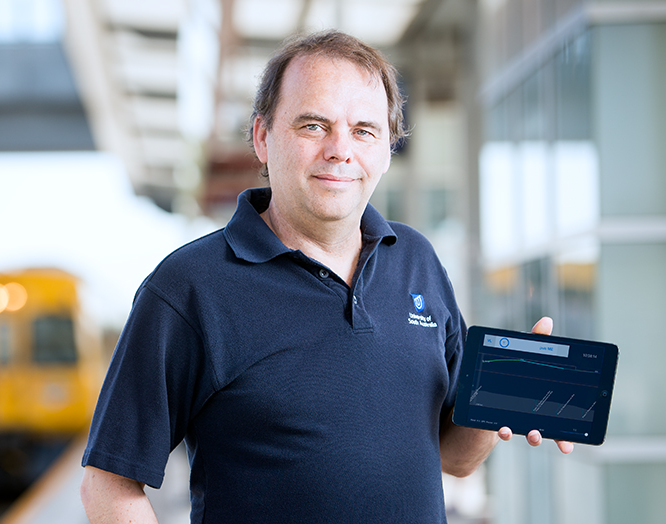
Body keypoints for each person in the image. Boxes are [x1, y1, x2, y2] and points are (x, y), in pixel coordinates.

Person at [80, 30, 573, 523]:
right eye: (314, 126)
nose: (341, 150)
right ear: (262, 138)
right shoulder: (188, 288)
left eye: (364, 130)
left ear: (386, 151)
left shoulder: (416, 260)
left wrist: (496, 404)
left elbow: (454, 457)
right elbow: (108, 484)